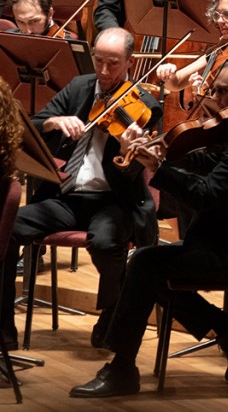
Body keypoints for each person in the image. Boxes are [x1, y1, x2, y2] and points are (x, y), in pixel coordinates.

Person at [69, 56, 228, 398]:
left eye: (222, 92)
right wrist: (164, 152)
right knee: (147, 266)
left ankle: (122, 369)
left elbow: (207, 196)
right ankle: (225, 324)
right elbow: (211, 162)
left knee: (143, 263)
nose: (214, 98)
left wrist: (157, 169)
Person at [0, 27, 161, 351]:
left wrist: (125, 147)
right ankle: (3, 332)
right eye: (98, 61)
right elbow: (30, 124)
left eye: (113, 64)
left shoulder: (146, 106)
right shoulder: (79, 87)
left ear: (130, 62)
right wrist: (55, 122)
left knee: (104, 241)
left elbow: (134, 174)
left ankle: (112, 315)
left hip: (114, 203)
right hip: (67, 197)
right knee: (6, 229)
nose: (103, 71)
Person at [7, 0, 76, 38]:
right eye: (20, 22)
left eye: (34, 21)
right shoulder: (7, 38)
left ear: (50, 14)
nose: (28, 31)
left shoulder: (66, 45)